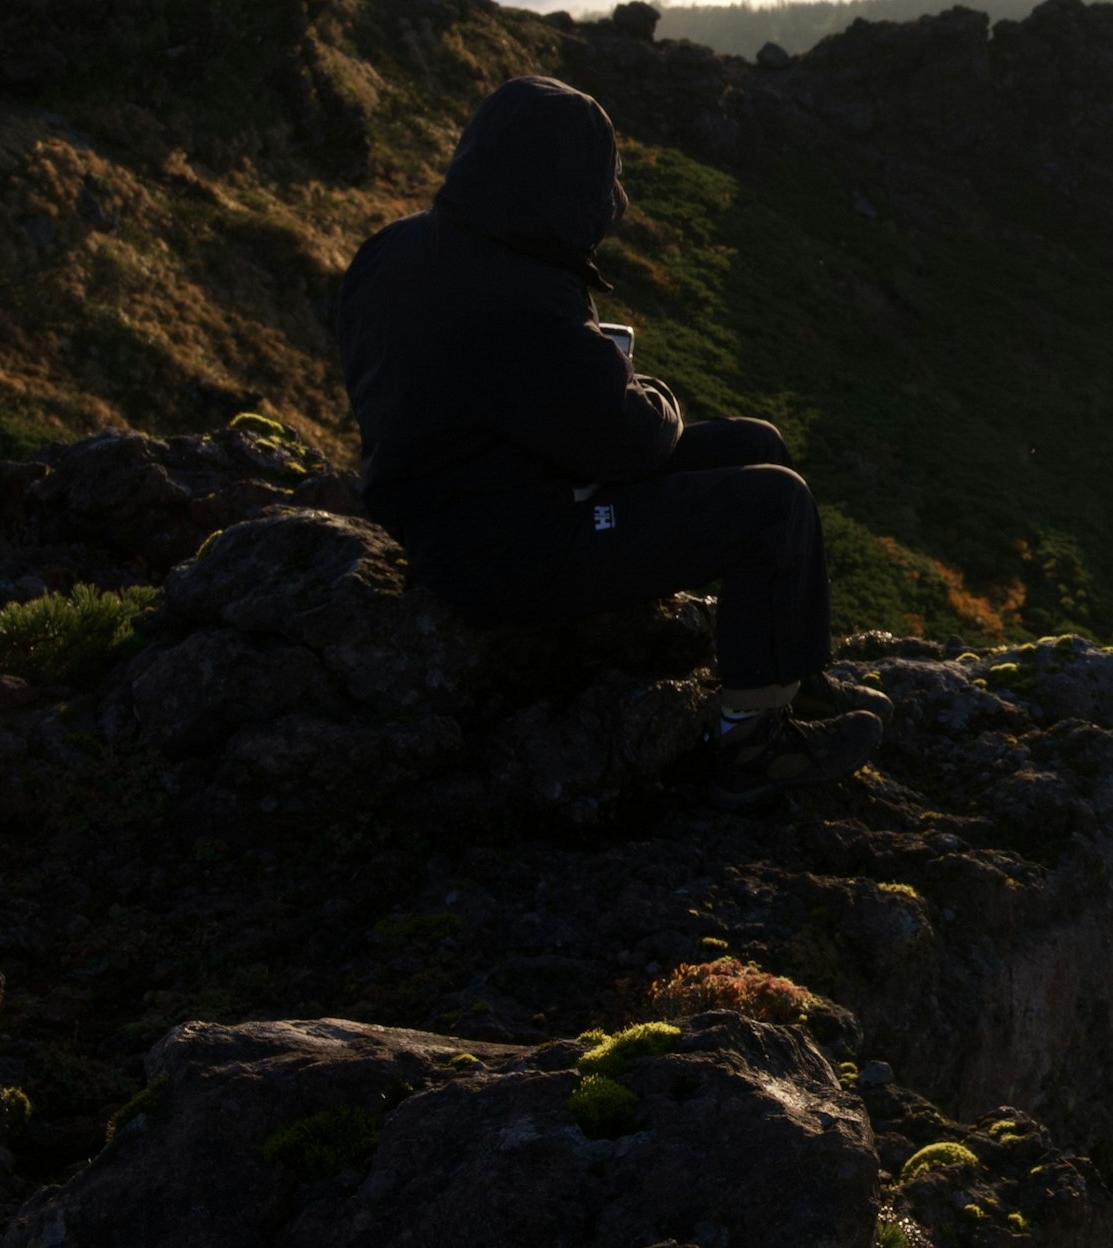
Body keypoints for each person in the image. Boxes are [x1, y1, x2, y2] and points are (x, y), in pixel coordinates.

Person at [334, 73, 881, 805]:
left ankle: (787, 670)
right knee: (771, 504)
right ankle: (751, 743)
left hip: (468, 507)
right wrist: (644, 388)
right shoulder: (523, 294)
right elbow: (632, 441)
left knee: (757, 442)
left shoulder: (396, 250)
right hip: (512, 551)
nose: (611, 204)